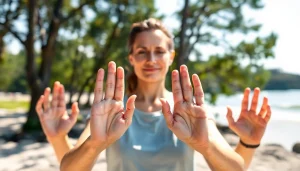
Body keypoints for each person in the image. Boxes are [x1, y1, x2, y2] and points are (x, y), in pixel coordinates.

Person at [35, 18, 271, 171]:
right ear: (131, 58)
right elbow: (71, 168)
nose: (151, 60)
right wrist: (88, 143)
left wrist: (245, 143)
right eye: (142, 51)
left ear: (171, 56)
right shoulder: (112, 109)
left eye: (159, 51)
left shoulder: (190, 110)